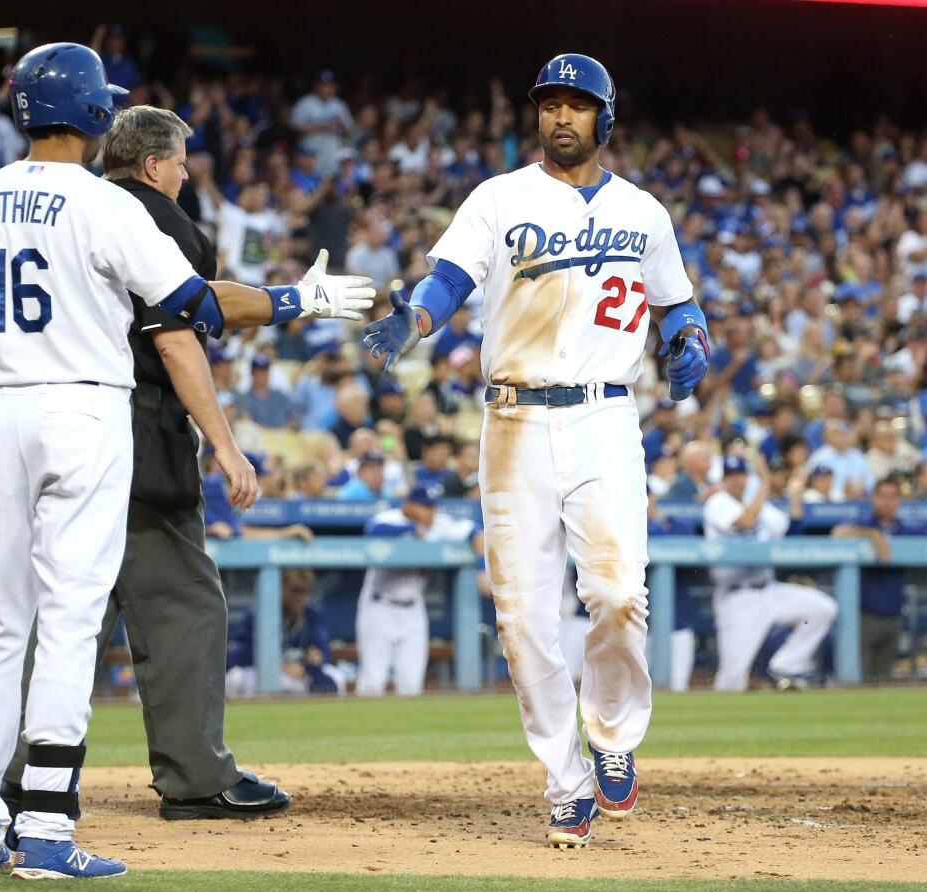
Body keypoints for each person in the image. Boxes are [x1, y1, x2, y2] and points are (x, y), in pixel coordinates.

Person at [0, 43, 372, 881]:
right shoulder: (107, 206)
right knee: (68, 619)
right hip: (86, 411)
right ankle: (49, 832)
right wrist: (294, 299)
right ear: (98, 117)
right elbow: (192, 311)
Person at [363, 54, 709, 847]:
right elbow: (448, 278)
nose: (561, 117)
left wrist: (690, 336)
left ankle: (613, 735)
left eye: (577, 106)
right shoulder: (500, 197)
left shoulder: (646, 212)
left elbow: (679, 302)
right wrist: (417, 318)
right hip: (513, 420)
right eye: (550, 104)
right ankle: (565, 780)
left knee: (620, 591)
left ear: (604, 118)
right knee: (522, 619)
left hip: (604, 418)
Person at [0, 104, 291, 828]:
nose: (186, 174)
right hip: (131, 436)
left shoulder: (53, 207)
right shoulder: (153, 217)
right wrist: (223, 441)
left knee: (69, 610)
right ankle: (196, 776)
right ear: (156, 164)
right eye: (182, 162)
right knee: (186, 601)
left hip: (38, 425)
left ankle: (10, 777)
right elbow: (177, 333)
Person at [704, 455, 838, 692]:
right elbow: (745, 521)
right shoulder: (718, 502)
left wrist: (795, 499)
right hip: (737, 597)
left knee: (823, 608)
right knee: (732, 680)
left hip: (768, 589)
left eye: (740, 475)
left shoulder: (762, 506)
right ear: (723, 480)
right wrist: (765, 482)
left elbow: (790, 536)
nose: (736, 481)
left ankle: (786, 665)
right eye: (730, 476)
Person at [354, 483, 483, 697]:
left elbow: (476, 533)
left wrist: (481, 569)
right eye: (424, 506)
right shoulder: (390, 519)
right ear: (410, 506)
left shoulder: (439, 524)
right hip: (379, 606)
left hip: (414, 610)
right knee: (373, 683)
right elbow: (372, 531)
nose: (430, 512)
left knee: (412, 684)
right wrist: (413, 529)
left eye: (432, 507)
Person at [832, 478, 913, 681]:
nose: (887, 502)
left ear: (900, 500)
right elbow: (838, 533)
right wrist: (873, 535)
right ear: (873, 498)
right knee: (857, 679)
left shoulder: (905, 528)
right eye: (882, 496)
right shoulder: (865, 521)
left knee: (883, 680)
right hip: (864, 615)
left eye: (893, 497)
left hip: (893, 615)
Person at [225, 569, 346, 697]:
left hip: (300, 674)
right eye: (296, 590)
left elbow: (324, 653)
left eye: (306, 591)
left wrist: (313, 662)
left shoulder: (312, 614)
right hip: (269, 673)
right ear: (281, 588)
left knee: (336, 675)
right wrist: (279, 665)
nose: (301, 597)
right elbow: (239, 657)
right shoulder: (259, 614)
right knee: (237, 677)